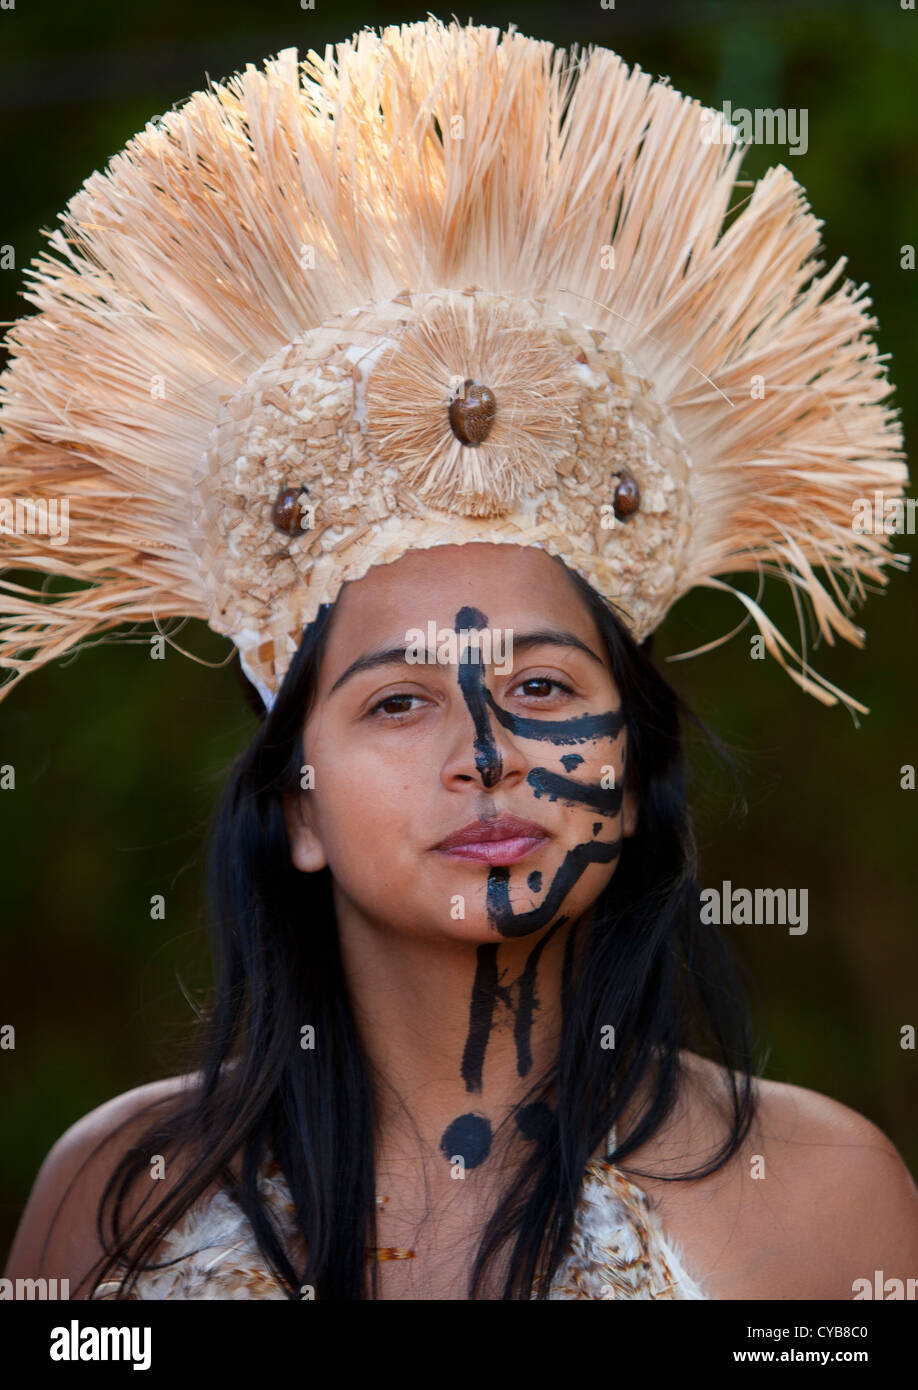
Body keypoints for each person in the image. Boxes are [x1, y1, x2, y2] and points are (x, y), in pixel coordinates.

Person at [2, 18, 917, 1300]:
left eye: (544, 688)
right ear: (295, 802)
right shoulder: (119, 1206)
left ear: (631, 760)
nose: (487, 754)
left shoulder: (826, 1204)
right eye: (397, 701)